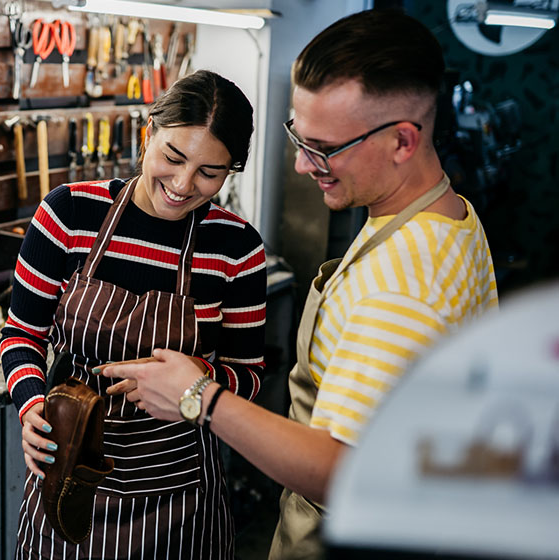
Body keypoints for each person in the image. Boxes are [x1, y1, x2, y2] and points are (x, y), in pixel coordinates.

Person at [100, 10, 499, 560]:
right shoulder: (448, 216)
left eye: (323, 148)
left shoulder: (401, 283)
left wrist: (199, 397)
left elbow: (342, 474)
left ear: (403, 141)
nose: (301, 165)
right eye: (298, 135)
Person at [0, 69, 269, 558]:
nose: (184, 185)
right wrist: (32, 407)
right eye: (173, 157)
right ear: (149, 133)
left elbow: (249, 375)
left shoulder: (237, 247)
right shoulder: (69, 214)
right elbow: (21, 334)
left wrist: (195, 381)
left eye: (210, 173)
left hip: (180, 494)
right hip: (68, 474)